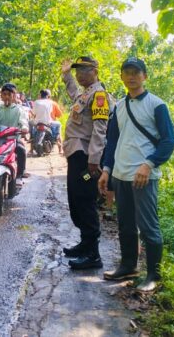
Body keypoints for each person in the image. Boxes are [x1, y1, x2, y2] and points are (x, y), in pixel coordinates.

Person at [99, 57, 174, 292]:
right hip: (120, 174)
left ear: (145, 76)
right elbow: (112, 141)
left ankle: (154, 275)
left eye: (136, 72)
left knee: (149, 226)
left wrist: (149, 164)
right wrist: (106, 170)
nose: (131, 76)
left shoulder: (157, 105)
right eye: (127, 72)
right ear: (121, 76)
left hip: (143, 176)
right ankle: (128, 265)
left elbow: (168, 141)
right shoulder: (119, 106)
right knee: (126, 225)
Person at [60, 56, 113, 270]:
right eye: (77, 70)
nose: (80, 74)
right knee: (76, 199)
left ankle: (93, 254)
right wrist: (66, 75)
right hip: (76, 155)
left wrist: (94, 161)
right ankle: (84, 244)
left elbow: (100, 129)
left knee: (84, 199)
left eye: (84, 70)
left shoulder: (99, 95)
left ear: (95, 70)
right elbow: (74, 94)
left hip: (86, 160)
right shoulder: (86, 93)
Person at [0, 83, 29, 182]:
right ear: (1, 96)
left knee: (21, 150)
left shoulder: (18, 110)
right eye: (4, 94)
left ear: (13, 96)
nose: (6, 97)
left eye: (9, 95)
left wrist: (24, 128)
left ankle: (20, 174)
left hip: (13, 139)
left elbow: (23, 121)